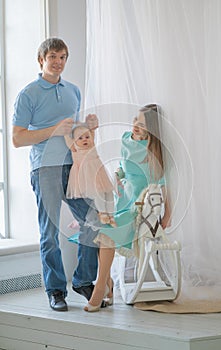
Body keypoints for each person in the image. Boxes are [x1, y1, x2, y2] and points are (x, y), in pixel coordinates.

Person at [12, 37, 100, 312]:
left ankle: (84, 280)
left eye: (62, 57)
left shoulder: (73, 91)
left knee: (94, 219)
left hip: (74, 166)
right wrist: (52, 130)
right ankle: (55, 291)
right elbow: (17, 139)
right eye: (53, 57)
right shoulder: (28, 94)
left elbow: (73, 133)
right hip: (45, 169)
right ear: (42, 60)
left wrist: (89, 126)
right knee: (49, 233)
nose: (58, 62)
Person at [84, 104, 171, 312]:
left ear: (152, 129)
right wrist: (117, 176)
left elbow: (165, 185)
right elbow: (122, 168)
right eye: (135, 121)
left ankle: (100, 288)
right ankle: (109, 287)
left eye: (142, 124)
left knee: (108, 232)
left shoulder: (155, 151)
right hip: (121, 197)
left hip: (139, 205)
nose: (136, 126)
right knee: (96, 225)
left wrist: (167, 214)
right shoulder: (125, 139)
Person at [65, 121, 117, 227]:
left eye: (87, 137)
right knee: (99, 194)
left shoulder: (92, 145)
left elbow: (92, 131)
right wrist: (67, 131)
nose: (85, 139)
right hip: (88, 178)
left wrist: (90, 126)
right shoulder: (75, 149)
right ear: (74, 140)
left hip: (100, 174)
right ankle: (102, 213)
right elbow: (67, 138)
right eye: (80, 138)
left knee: (109, 193)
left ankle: (111, 215)